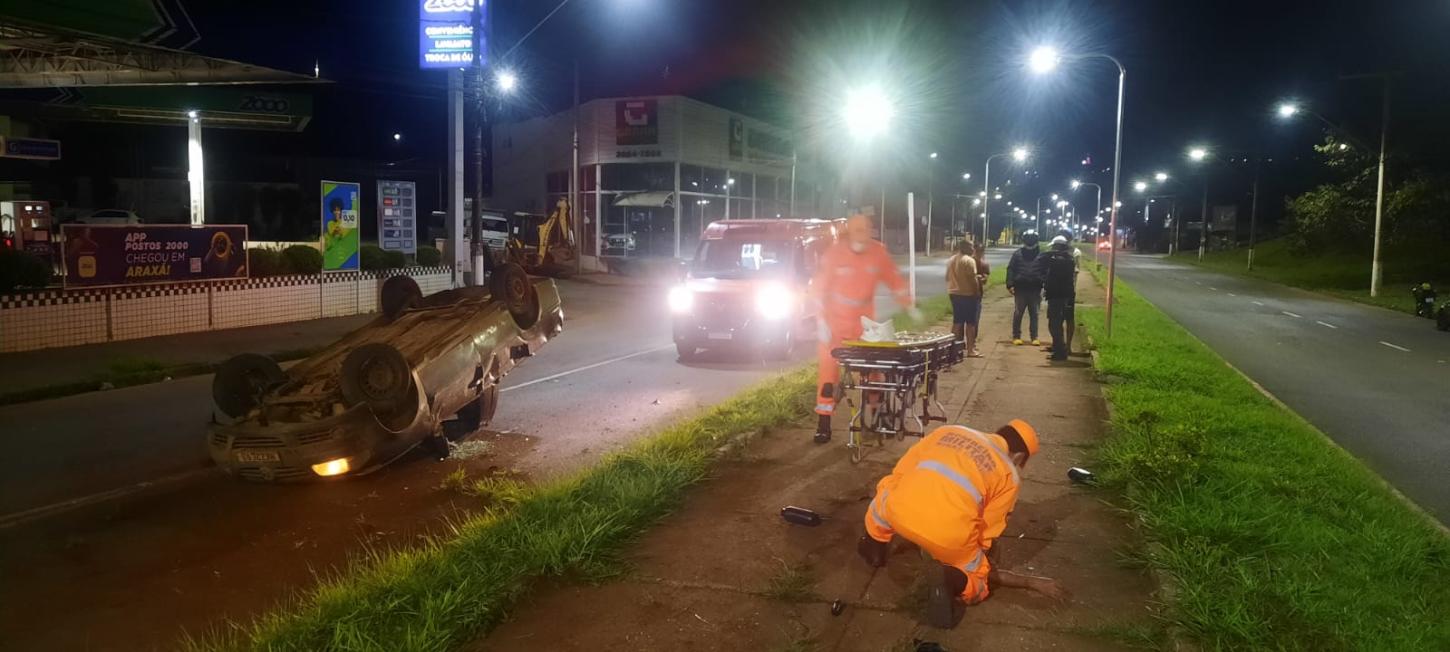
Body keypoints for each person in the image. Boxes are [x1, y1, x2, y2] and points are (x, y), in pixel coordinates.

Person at [857, 420, 1062, 628]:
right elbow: (988, 529)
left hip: (899, 513)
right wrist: (974, 559)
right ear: (1018, 457)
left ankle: (874, 547)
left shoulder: (949, 431)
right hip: (949, 536)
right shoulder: (1009, 474)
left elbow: (901, 471)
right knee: (978, 582)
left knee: (884, 497)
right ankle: (952, 580)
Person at [811, 214, 913, 444]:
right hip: (834, 324)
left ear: (870, 231)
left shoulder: (878, 252)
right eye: (857, 231)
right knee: (828, 374)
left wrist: (909, 304)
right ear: (849, 232)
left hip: (864, 324)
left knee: (874, 373)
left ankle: (875, 419)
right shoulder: (834, 253)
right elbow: (819, 288)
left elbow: (894, 280)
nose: (861, 237)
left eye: (865, 231)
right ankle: (823, 424)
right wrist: (821, 321)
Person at [1038, 235, 1077, 361]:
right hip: (1065, 295)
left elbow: (1040, 259)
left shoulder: (1058, 259)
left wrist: (1053, 253)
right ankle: (1057, 346)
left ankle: (1060, 351)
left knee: (1054, 323)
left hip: (1056, 295)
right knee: (1056, 323)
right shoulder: (1069, 258)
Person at [1005, 232, 1044, 346]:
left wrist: (1044, 284)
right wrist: (1010, 284)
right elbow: (1010, 269)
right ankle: (1016, 336)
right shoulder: (1017, 254)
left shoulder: (1041, 255)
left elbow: (1046, 270)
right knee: (1018, 313)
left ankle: (1034, 337)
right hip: (1020, 288)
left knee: (1035, 314)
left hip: (1035, 288)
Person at [945, 239, 981, 357]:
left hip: (954, 293)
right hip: (968, 295)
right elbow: (973, 280)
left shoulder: (951, 259)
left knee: (957, 322)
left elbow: (947, 277)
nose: (973, 249)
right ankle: (971, 349)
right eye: (971, 247)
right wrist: (977, 293)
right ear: (964, 247)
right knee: (971, 324)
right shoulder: (969, 260)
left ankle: (952, 349)